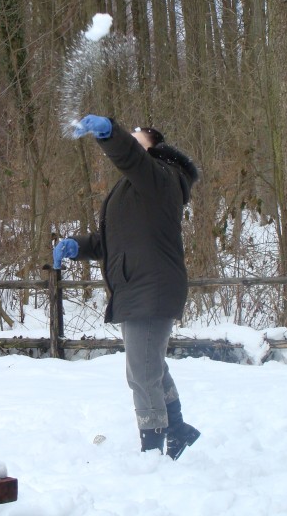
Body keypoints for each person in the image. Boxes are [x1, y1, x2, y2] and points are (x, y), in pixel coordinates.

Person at [53, 115, 201, 459]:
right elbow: (111, 241)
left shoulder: (161, 177)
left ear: (152, 148)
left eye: (136, 138)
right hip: (138, 286)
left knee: (141, 375)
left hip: (152, 287)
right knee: (150, 366)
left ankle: (152, 448)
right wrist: (78, 247)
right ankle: (178, 429)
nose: (130, 140)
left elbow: (130, 157)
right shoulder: (137, 189)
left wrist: (109, 131)